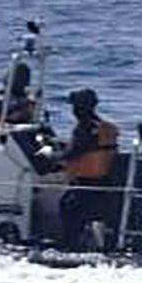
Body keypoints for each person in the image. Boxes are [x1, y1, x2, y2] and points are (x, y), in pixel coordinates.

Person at [56, 87, 125, 247]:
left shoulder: (83, 129)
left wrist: (51, 155)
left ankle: (71, 245)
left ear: (79, 108)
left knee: (67, 205)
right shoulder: (104, 127)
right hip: (105, 185)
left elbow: (71, 154)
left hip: (85, 187)